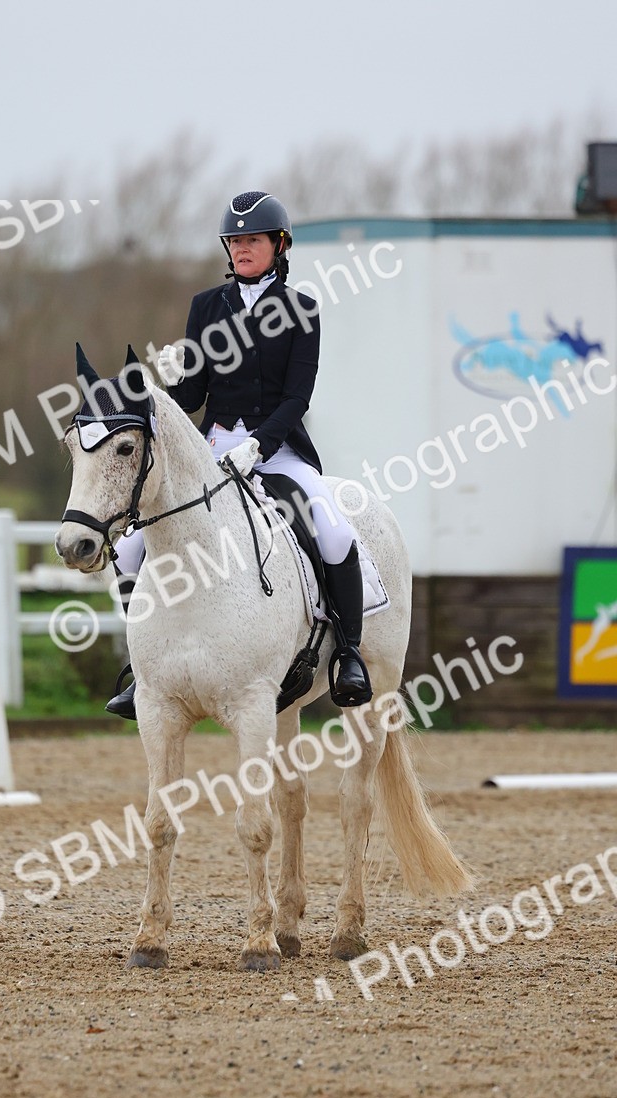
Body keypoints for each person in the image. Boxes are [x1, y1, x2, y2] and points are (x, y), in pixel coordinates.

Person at [107, 190, 372, 718]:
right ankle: (145, 668)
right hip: (213, 449)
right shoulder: (207, 307)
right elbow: (193, 394)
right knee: (132, 546)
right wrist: (156, 401)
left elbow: (298, 396)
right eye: (235, 240)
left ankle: (347, 652)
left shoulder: (302, 310)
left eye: (252, 239)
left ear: (279, 244)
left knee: (335, 529)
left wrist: (261, 444)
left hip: (277, 450)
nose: (242, 248)